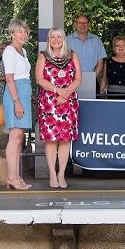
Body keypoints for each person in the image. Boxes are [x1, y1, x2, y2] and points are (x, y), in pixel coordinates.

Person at [36, 27, 82, 189]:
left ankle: (61, 174)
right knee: (51, 140)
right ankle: (52, 174)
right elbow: (39, 79)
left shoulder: (73, 55)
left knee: (64, 140)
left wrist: (65, 94)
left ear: (64, 39)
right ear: (49, 39)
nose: (56, 40)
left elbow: (78, 78)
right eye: (52, 37)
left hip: (68, 102)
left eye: (59, 37)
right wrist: (57, 91)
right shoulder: (44, 56)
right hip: (49, 102)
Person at [3, 19, 33, 190]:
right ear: (12, 34)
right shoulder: (9, 51)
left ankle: (16, 175)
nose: (23, 34)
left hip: (24, 92)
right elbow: (9, 78)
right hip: (16, 93)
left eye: (25, 31)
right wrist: (17, 102)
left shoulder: (23, 51)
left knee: (19, 137)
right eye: (19, 31)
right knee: (14, 137)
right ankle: (11, 177)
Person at [66, 15, 107, 89]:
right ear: (75, 24)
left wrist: (91, 78)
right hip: (71, 81)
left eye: (85, 23)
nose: (82, 25)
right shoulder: (67, 40)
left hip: (92, 81)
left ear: (89, 24)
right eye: (79, 23)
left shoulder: (96, 40)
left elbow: (100, 64)